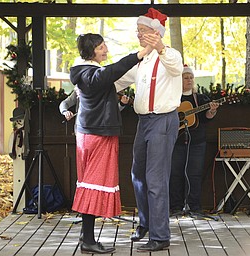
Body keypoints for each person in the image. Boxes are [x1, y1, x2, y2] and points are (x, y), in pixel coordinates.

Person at [69, 33, 151, 254]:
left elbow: (119, 76)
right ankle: (87, 240)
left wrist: (148, 58)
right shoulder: (89, 74)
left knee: (90, 184)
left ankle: (86, 237)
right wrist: (139, 53)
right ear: (91, 50)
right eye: (101, 47)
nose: (106, 50)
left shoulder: (90, 73)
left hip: (91, 134)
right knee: (92, 185)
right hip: (97, 135)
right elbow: (112, 72)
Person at [115, 8, 183, 252]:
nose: (138, 35)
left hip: (163, 121)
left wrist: (161, 47)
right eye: (138, 31)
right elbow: (118, 79)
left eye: (142, 31)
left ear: (156, 33)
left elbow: (176, 67)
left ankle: (160, 236)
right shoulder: (140, 60)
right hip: (143, 123)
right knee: (138, 176)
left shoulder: (171, 55)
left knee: (156, 179)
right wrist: (92, 82)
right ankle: (146, 223)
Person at [169, 65, 219, 214]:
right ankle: (176, 207)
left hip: (197, 142)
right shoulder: (172, 98)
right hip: (176, 141)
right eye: (186, 77)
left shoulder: (201, 99)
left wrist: (211, 110)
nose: (189, 80)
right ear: (180, 79)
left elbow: (206, 119)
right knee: (175, 173)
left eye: (191, 77)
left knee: (194, 174)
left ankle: (194, 207)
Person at [59, 87, 130, 133]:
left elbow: (111, 110)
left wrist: (122, 104)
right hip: (82, 129)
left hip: (99, 129)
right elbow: (65, 103)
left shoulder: (104, 91)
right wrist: (65, 111)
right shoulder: (79, 90)